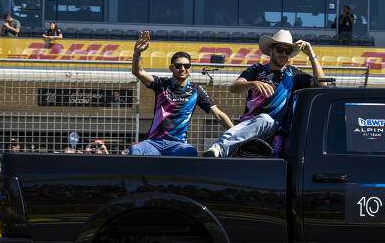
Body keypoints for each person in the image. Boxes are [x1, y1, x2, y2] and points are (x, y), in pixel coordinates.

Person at [204, 29, 324, 158]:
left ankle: (221, 148)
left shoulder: (294, 75)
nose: (283, 54)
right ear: (271, 50)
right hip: (250, 126)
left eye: (287, 51)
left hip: (276, 132)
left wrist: (312, 55)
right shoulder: (257, 69)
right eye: (279, 50)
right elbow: (234, 88)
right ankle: (219, 149)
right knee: (263, 120)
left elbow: (322, 85)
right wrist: (253, 83)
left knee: (266, 120)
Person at [130, 32, 232, 156]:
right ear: (171, 68)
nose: (182, 69)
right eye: (178, 66)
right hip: (154, 142)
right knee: (136, 150)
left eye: (186, 65)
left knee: (191, 153)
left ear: (190, 68)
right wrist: (137, 52)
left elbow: (219, 115)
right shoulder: (161, 83)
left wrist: (237, 134)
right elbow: (138, 72)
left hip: (178, 144)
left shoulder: (196, 90)